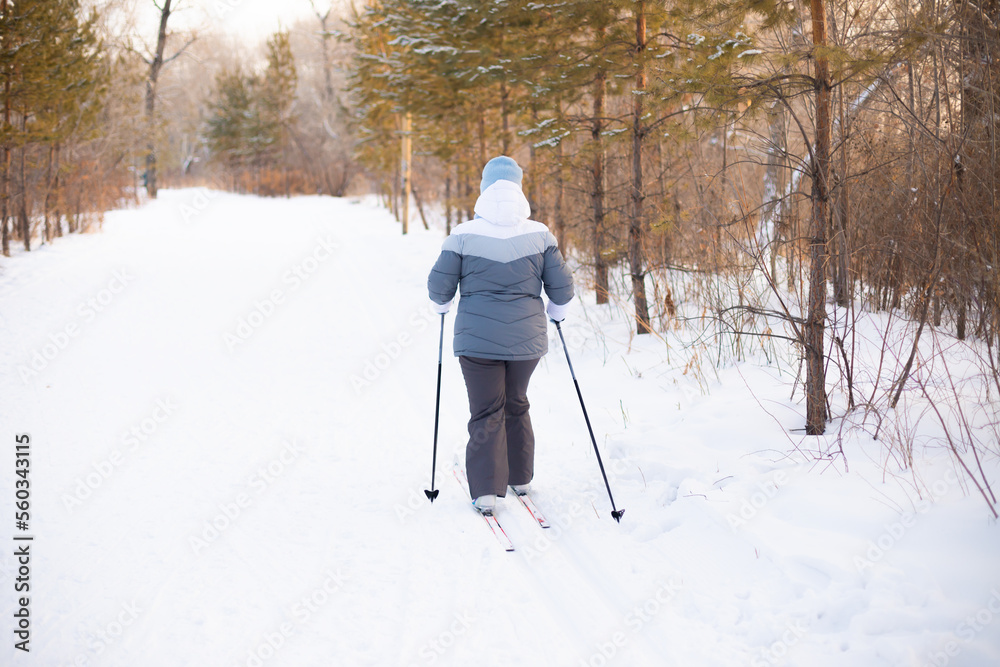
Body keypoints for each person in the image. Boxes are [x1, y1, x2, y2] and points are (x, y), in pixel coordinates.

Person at [427, 156, 574, 513]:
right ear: (519, 189)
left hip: (476, 342)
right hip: (528, 343)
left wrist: (442, 306)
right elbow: (563, 289)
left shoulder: (462, 235)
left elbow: (438, 287)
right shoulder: (540, 234)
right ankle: (520, 477)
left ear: (484, 188)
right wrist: (556, 314)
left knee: (486, 411)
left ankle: (488, 491)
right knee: (516, 402)